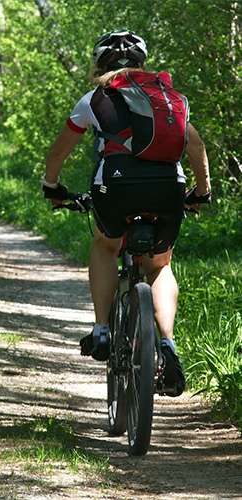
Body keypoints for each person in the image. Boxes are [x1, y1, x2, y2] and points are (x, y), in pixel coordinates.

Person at [41, 30, 211, 397]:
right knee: (160, 266)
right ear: (141, 64)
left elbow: (58, 154)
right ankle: (167, 344)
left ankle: (102, 330)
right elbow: (195, 145)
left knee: (105, 245)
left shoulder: (94, 99)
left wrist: (52, 188)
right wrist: (201, 192)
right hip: (168, 188)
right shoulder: (167, 97)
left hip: (115, 189)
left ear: (99, 65)